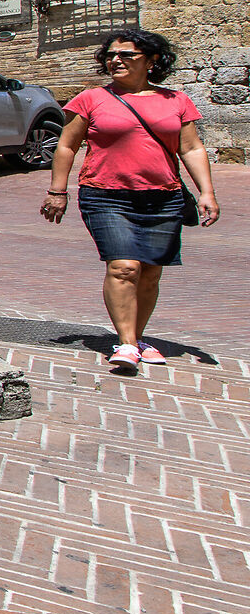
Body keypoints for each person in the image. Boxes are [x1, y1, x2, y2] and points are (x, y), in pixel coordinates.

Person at [41, 28, 221, 373]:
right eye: (111, 55)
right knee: (125, 267)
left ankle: (136, 339)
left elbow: (191, 148)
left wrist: (207, 192)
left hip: (163, 198)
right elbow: (66, 144)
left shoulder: (175, 101)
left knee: (151, 274)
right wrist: (57, 190)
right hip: (106, 195)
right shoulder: (92, 99)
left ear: (152, 61)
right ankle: (125, 343)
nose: (116, 60)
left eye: (126, 55)